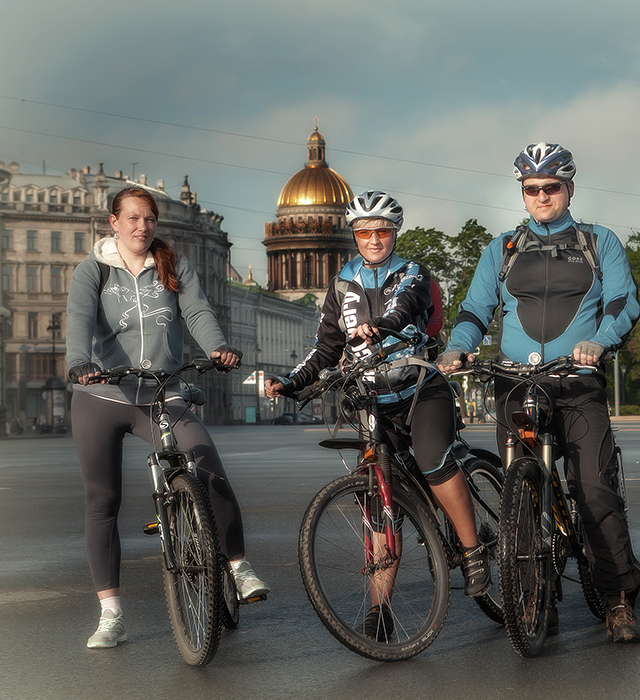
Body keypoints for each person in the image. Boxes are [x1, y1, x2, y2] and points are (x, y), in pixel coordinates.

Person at [439, 142, 640, 643]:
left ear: (568, 188)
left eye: (551, 187)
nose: (541, 196)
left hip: (577, 385)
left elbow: (623, 301)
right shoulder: (502, 249)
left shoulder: (599, 241)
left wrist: (598, 342)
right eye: (531, 190)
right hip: (516, 383)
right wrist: (457, 348)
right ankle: (536, 595)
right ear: (523, 194)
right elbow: (473, 309)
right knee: (523, 496)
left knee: (593, 489)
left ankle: (617, 599)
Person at [264, 190, 490, 640]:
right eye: (364, 231)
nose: (373, 239)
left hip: (420, 389)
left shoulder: (413, 273)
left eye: (382, 231)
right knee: (377, 505)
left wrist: (381, 326)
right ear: (354, 235)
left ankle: (473, 552)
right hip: (371, 402)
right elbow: (327, 346)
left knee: (433, 462)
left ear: (394, 233)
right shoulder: (340, 284)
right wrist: (292, 381)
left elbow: (407, 309)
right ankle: (380, 609)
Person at [65, 186, 268, 650]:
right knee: (103, 502)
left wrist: (216, 346)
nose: (143, 226)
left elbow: (196, 311)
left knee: (208, 469)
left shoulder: (171, 266)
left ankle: (237, 566)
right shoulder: (92, 271)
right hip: (102, 394)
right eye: (133, 218)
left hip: (162, 392)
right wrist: (79, 360)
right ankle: (111, 614)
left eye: (150, 218)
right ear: (113, 222)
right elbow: (78, 320)